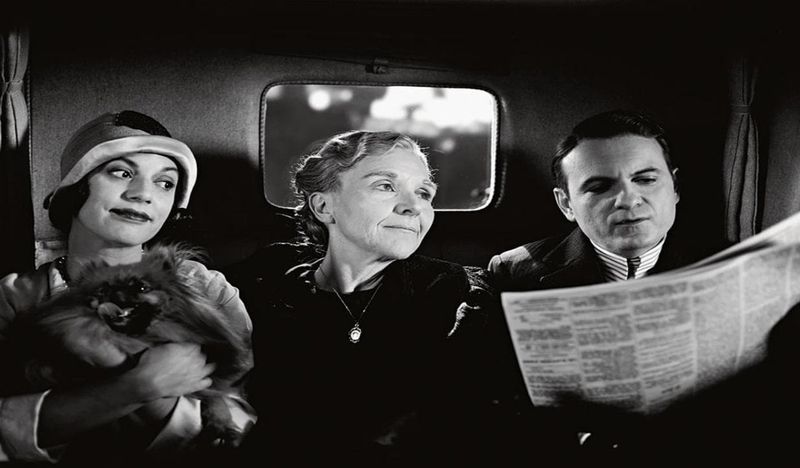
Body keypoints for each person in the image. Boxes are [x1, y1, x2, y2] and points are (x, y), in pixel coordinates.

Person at [230, 130, 505, 466]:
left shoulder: (457, 296)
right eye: (385, 186)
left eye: (423, 193)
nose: (413, 207)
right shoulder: (263, 281)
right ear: (323, 206)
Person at [0, 111, 254, 464]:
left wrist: (160, 393)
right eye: (122, 173)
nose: (142, 194)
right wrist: (132, 387)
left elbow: (243, 426)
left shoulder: (207, 289)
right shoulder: (13, 297)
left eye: (165, 183)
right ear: (76, 185)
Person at [489, 110, 698, 291]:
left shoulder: (716, 261)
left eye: (646, 180)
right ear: (566, 204)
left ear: (675, 187)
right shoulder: (513, 273)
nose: (628, 200)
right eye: (599, 188)